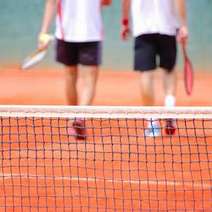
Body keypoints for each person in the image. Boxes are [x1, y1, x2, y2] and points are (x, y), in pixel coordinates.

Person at [38, 0, 112, 139]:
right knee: (90, 80)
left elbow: (51, 2)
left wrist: (43, 32)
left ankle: (73, 118)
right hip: (91, 31)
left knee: (70, 76)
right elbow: (106, 2)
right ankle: (80, 117)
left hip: (66, 32)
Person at [121, 0, 189, 136]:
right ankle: (170, 109)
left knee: (146, 74)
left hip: (143, 28)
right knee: (169, 70)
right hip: (167, 27)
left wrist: (125, 22)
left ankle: (152, 122)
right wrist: (183, 25)